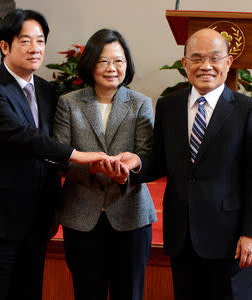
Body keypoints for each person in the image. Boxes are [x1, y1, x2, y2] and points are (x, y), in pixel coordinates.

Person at [115, 28, 252, 300]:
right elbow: (162, 161)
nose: (206, 66)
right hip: (182, 235)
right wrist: (138, 162)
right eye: (197, 58)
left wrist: (251, 233)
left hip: (230, 237)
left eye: (214, 58)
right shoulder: (168, 106)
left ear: (228, 62)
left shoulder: (249, 111)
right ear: (185, 64)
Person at [0, 9, 108, 300]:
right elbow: (25, 138)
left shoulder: (45, 90)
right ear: (5, 46)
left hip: (36, 218)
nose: (35, 49)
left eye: (40, 41)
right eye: (25, 41)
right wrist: (77, 154)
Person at [53, 29, 157, 300]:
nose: (112, 68)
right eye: (103, 61)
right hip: (82, 215)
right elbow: (60, 158)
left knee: (129, 293)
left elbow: (147, 155)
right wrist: (92, 167)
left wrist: (129, 173)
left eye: (119, 61)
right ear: (90, 64)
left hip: (131, 216)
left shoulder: (140, 104)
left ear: (127, 64)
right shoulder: (69, 104)